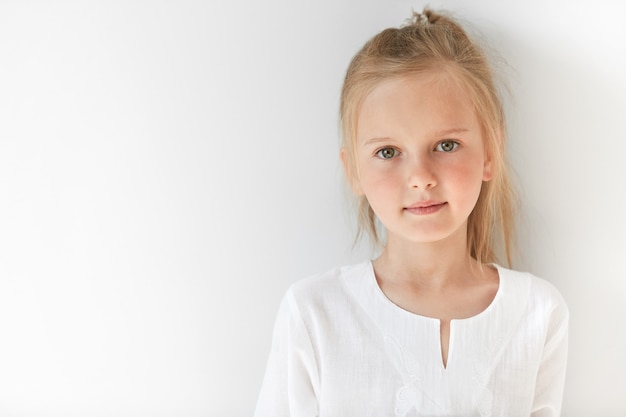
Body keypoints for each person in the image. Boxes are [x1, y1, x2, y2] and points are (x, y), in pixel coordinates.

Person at [254, 8, 568, 417]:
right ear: (354, 172)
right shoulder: (314, 313)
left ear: (491, 151)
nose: (420, 177)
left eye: (446, 145)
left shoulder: (538, 313)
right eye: (388, 152)